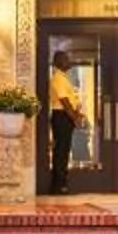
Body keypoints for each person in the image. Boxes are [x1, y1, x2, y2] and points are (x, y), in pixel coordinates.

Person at [44, 61, 81, 194]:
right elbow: (64, 100)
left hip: (65, 116)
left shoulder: (63, 77)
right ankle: (58, 186)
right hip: (62, 116)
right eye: (65, 58)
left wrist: (76, 113)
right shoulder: (58, 78)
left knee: (64, 151)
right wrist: (74, 116)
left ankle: (61, 184)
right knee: (61, 151)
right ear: (59, 60)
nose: (69, 61)